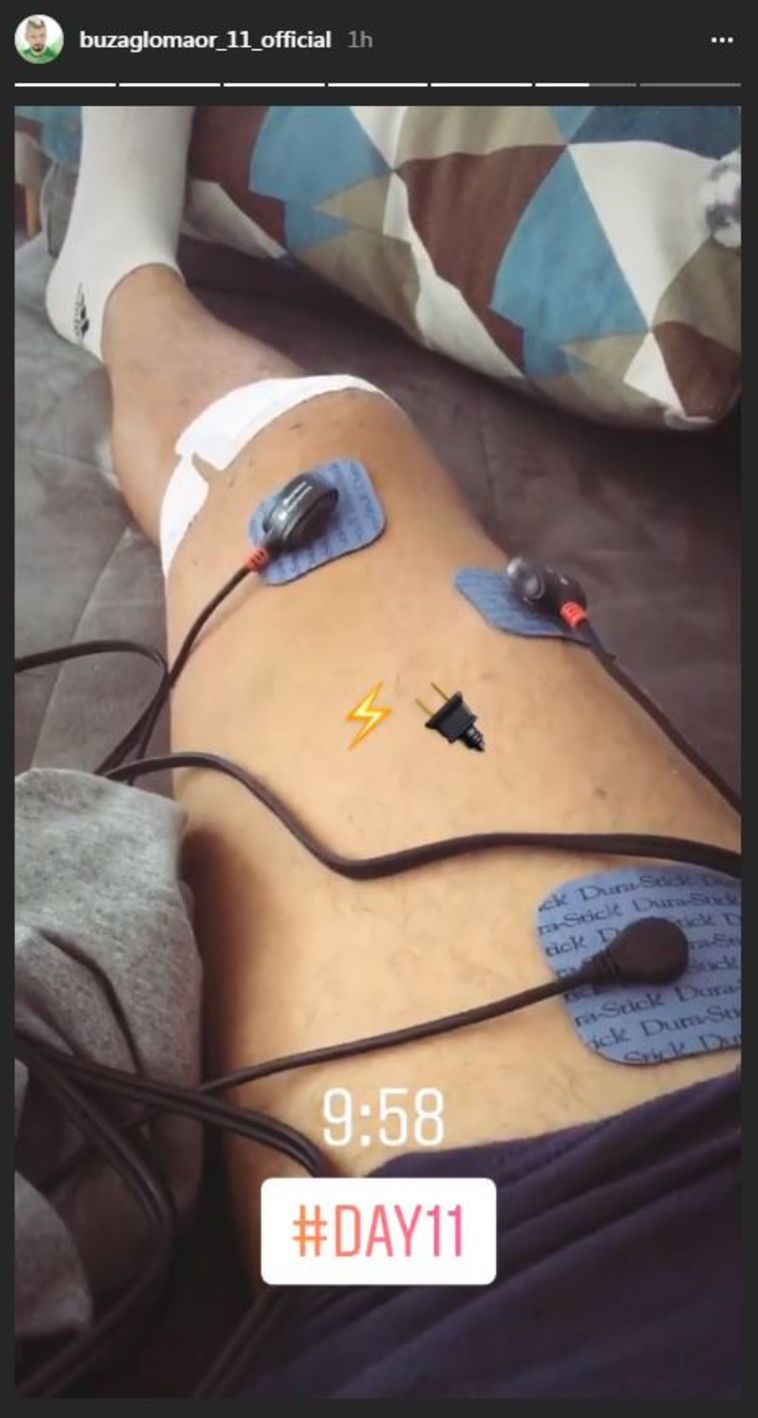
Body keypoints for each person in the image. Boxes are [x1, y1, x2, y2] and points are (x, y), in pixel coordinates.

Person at [29, 106, 740, 1397]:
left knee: (314, 460)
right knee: (335, 478)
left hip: (490, 1264)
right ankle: (123, 279)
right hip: (657, 1189)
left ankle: (127, 286)